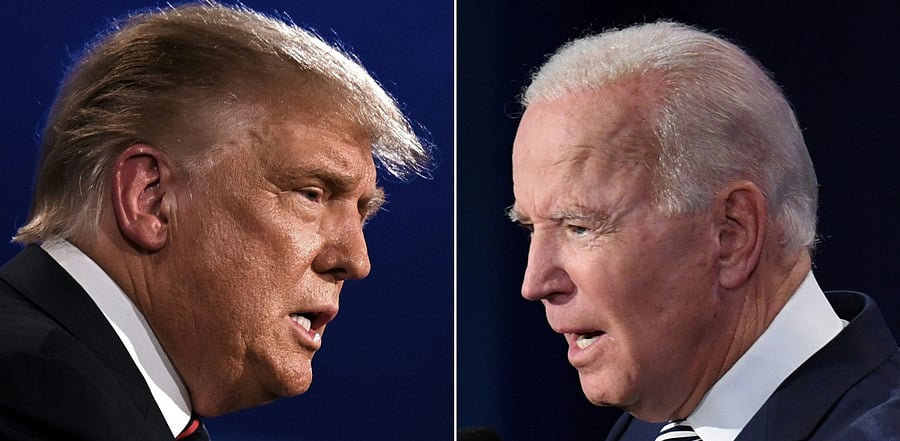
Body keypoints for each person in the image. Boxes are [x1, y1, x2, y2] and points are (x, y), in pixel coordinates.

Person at [0, 2, 430, 440]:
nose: (357, 261)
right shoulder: (35, 394)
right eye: (312, 194)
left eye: (363, 212)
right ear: (150, 198)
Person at [507, 20, 900, 440]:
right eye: (531, 227)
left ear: (731, 235)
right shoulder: (643, 428)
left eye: (579, 227)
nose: (535, 283)